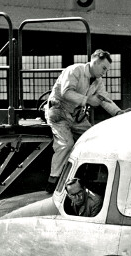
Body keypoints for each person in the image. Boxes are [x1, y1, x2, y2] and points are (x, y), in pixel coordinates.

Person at [46, 49, 122, 183]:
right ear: (95, 62)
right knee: (66, 144)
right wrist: (87, 100)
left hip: (76, 116)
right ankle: (53, 180)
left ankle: (87, 178)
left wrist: (118, 112)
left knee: (93, 138)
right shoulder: (75, 70)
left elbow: (104, 99)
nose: (104, 72)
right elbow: (66, 93)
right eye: (103, 68)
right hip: (58, 112)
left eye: (106, 70)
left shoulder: (98, 81)